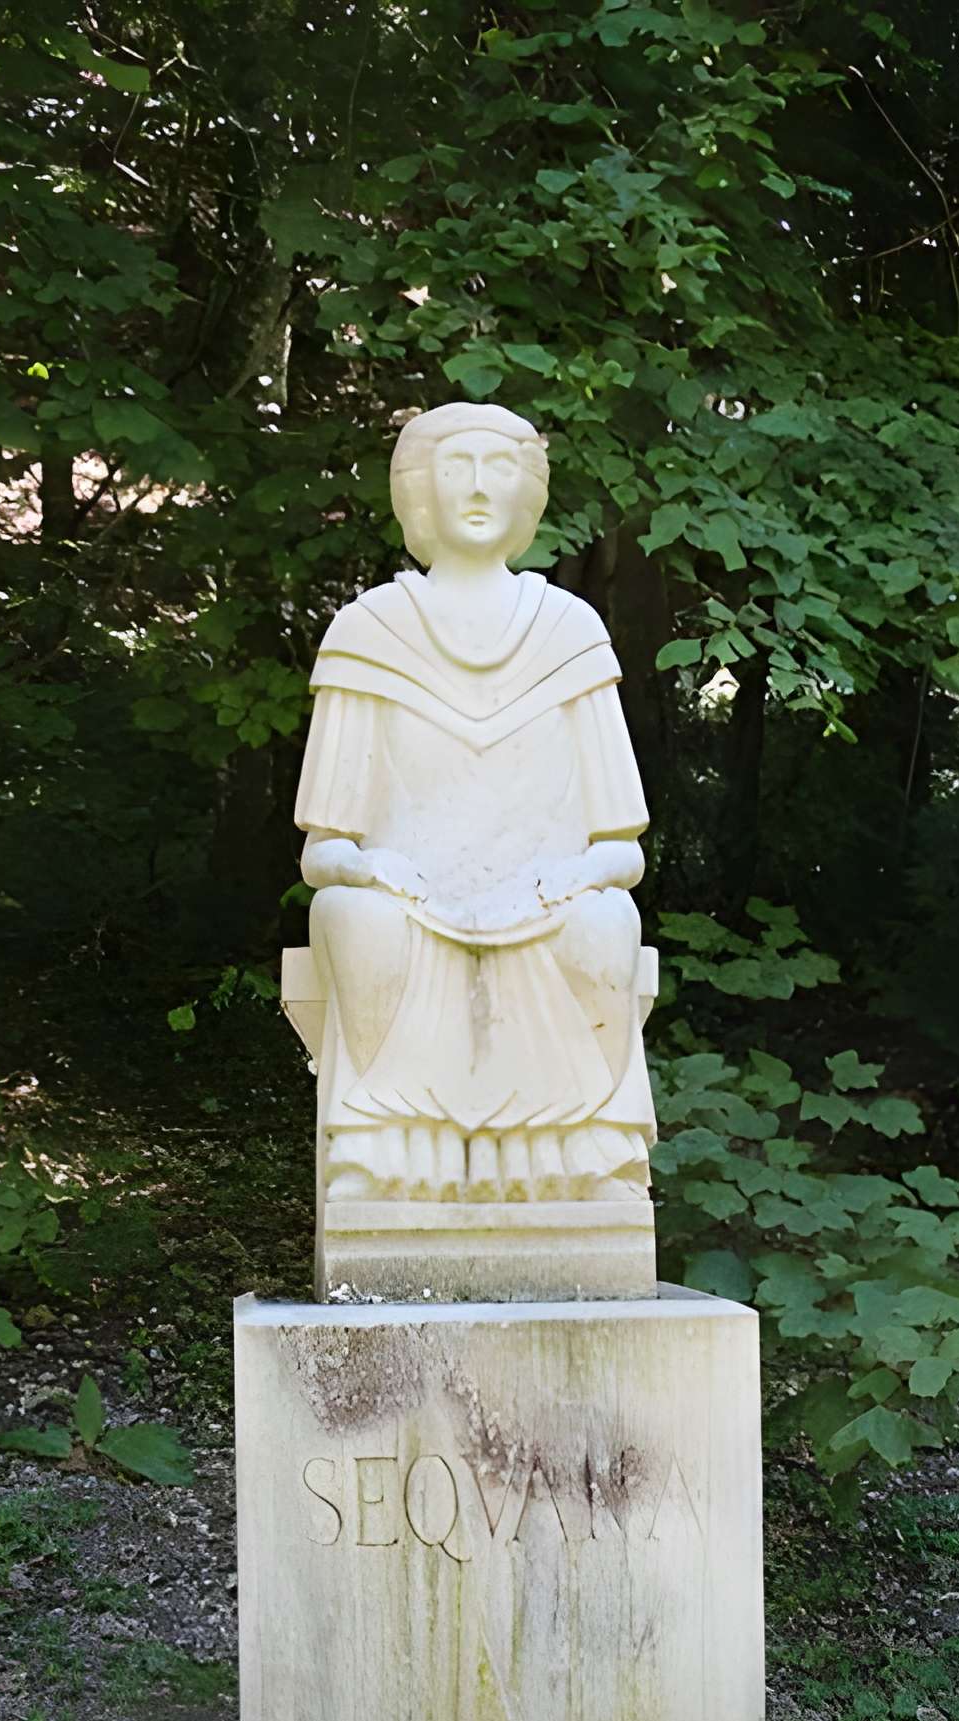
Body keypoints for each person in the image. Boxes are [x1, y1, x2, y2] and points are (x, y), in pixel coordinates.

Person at [295, 400, 656, 1205]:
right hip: (411, 904)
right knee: (357, 919)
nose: (479, 487)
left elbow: (621, 850)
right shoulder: (367, 634)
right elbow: (325, 853)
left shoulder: (571, 634)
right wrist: (379, 869)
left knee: (604, 922)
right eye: (457, 466)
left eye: (500, 467)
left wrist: (563, 881)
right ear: (420, 490)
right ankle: (387, 1159)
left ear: (529, 493)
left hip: (541, 901)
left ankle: (590, 1163)